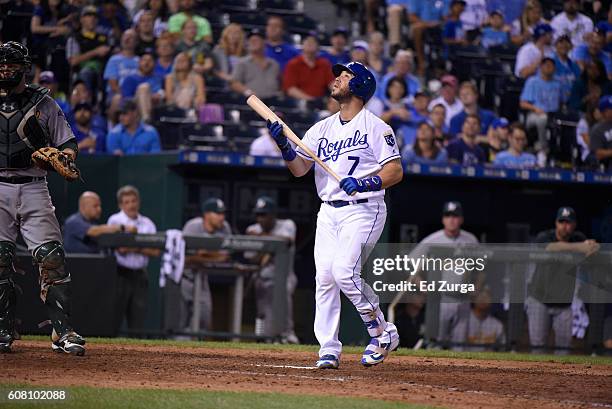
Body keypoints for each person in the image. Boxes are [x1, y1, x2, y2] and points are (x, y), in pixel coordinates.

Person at [265, 61, 403, 369]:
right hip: (328, 211)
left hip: (364, 209)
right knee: (325, 278)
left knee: (344, 272)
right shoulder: (321, 128)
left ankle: (382, 330)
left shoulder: (376, 126)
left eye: (346, 75)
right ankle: (328, 347)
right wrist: (283, 144)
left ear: (360, 85)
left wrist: (366, 182)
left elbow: (394, 171)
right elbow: (299, 169)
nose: (338, 78)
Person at [0, 42, 85, 355]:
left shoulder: (43, 102)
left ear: (24, 66)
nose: (5, 70)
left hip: (35, 185)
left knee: (51, 257)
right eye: (1, 65)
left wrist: (63, 157)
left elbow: (69, 143)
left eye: (11, 65)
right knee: (0, 258)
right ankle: (3, 328)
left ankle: (62, 330)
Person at [526, 206, 599, 354]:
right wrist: (580, 247)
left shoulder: (578, 237)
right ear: (556, 223)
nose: (565, 226)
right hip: (540, 300)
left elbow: (594, 247)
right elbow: (552, 247)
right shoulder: (545, 236)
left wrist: (592, 245)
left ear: (574, 225)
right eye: (562, 222)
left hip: (564, 304)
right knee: (538, 349)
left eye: (568, 222)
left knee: (564, 351)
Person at [411, 201, 480, 347]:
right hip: (440, 299)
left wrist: (477, 288)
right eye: (448, 216)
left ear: (461, 219)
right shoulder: (432, 240)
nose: (451, 219)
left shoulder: (471, 240)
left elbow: (481, 269)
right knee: (435, 343)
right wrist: (422, 285)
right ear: (443, 219)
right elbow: (410, 263)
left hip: (464, 300)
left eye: (455, 216)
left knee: (459, 346)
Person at [245, 197, 299, 344]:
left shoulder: (287, 224)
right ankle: (264, 338)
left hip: (284, 276)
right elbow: (252, 258)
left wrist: (261, 239)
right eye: (258, 215)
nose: (260, 219)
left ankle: (287, 335)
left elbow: (286, 241)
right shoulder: (252, 229)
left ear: (273, 215)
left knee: (283, 301)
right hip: (263, 277)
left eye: (264, 215)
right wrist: (265, 247)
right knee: (263, 311)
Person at [107, 185, 158, 333]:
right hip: (120, 274)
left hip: (140, 275)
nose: (131, 205)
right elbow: (120, 249)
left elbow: (155, 251)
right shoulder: (115, 220)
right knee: (115, 317)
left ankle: (137, 354)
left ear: (138, 202)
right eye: (127, 202)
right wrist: (142, 246)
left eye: (133, 201)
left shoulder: (147, 223)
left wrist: (133, 245)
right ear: (121, 205)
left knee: (138, 320)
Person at [180, 198, 232, 332]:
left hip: (202, 279)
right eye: (218, 213)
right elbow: (185, 258)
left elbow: (225, 257)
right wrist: (212, 255)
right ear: (206, 214)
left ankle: (195, 352)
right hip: (183, 278)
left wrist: (203, 254)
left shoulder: (225, 228)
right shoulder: (193, 226)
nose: (222, 217)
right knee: (180, 323)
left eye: (223, 213)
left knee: (203, 320)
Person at [63, 191, 136, 253]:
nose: (99, 209)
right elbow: (94, 231)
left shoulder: (93, 223)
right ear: (83, 206)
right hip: (74, 266)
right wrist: (122, 227)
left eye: (99, 206)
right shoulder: (73, 222)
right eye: (95, 206)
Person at [520, 57, 563, 154]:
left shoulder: (557, 83)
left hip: (553, 114)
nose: (549, 68)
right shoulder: (532, 81)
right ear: (541, 67)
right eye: (546, 65)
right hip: (534, 114)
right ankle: (543, 146)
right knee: (542, 118)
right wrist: (536, 108)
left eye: (551, 66)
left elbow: (561, 103)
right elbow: (523, 103)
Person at [65, 6, 111, 95]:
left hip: (103, 71)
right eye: (88, 15)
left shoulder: (104, 37)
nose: (92, 18)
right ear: (82, 19)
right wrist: (96, 52)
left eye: (95, 16)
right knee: (86, 73)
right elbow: (73, 61)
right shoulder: (75, 38)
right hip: (83, 71)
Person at [231, 29, 281, 99]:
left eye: (256, 40)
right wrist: (248, 92)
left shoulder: (274, 64)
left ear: (264, 42)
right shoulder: (242, 63)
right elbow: (234, 83)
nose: (253, 42)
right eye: (251, 40)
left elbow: (280, 84)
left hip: (273, 101)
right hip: (252, 103)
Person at [283, 33, 334, 101]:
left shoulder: (325, 64)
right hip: (297, 102)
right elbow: (290, 89)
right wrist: (310, 100)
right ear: (302, 45)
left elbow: (332, 83)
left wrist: (336, 96)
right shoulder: (293, 64)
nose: (310, 43)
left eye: (313, 42)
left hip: (320, 101)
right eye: (307, 41)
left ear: (318, 47)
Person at [103, 29, 140, 119]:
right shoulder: (114, 60)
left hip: (136, 95)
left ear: (136, 42)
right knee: (118, 98)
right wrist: (127, 97)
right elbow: (113, 85)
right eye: (125, 36)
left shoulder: (140, 61)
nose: (127, 39)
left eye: (131, 37)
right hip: (118, 94)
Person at [407, 0, 448, 76]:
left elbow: (446, 17)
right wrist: (427, 24)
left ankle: (442, 65)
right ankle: (421, 62)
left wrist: (440, 22)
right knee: (416, 29)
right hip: (423, 25)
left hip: (438, 26)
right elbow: (411, 17)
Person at [120, 52, 165, 122]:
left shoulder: (158, 79)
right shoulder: (130, 78)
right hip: (135, 107)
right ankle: (146, 120)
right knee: (144, 88)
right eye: (144, 60)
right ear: (139, 63)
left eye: (150, 61)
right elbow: (126, 100)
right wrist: (144, 96)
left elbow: (161, 93)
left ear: (155, 64)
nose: (146, 63)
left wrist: (158, 96)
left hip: (155, 106)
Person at [553, 34, 581, 103]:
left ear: (571, 46)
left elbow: (578, 84)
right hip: (554, 101)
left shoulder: (575, 66)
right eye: (561, 42)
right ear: (555, 45)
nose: (564, 45)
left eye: (567, 42)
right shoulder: (549, 63)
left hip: (572, 102)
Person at [590, 95, 612, 171]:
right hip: (607, 165)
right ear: (604, 111)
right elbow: (598, 154)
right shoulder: (597, 129)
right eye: (611, 108)